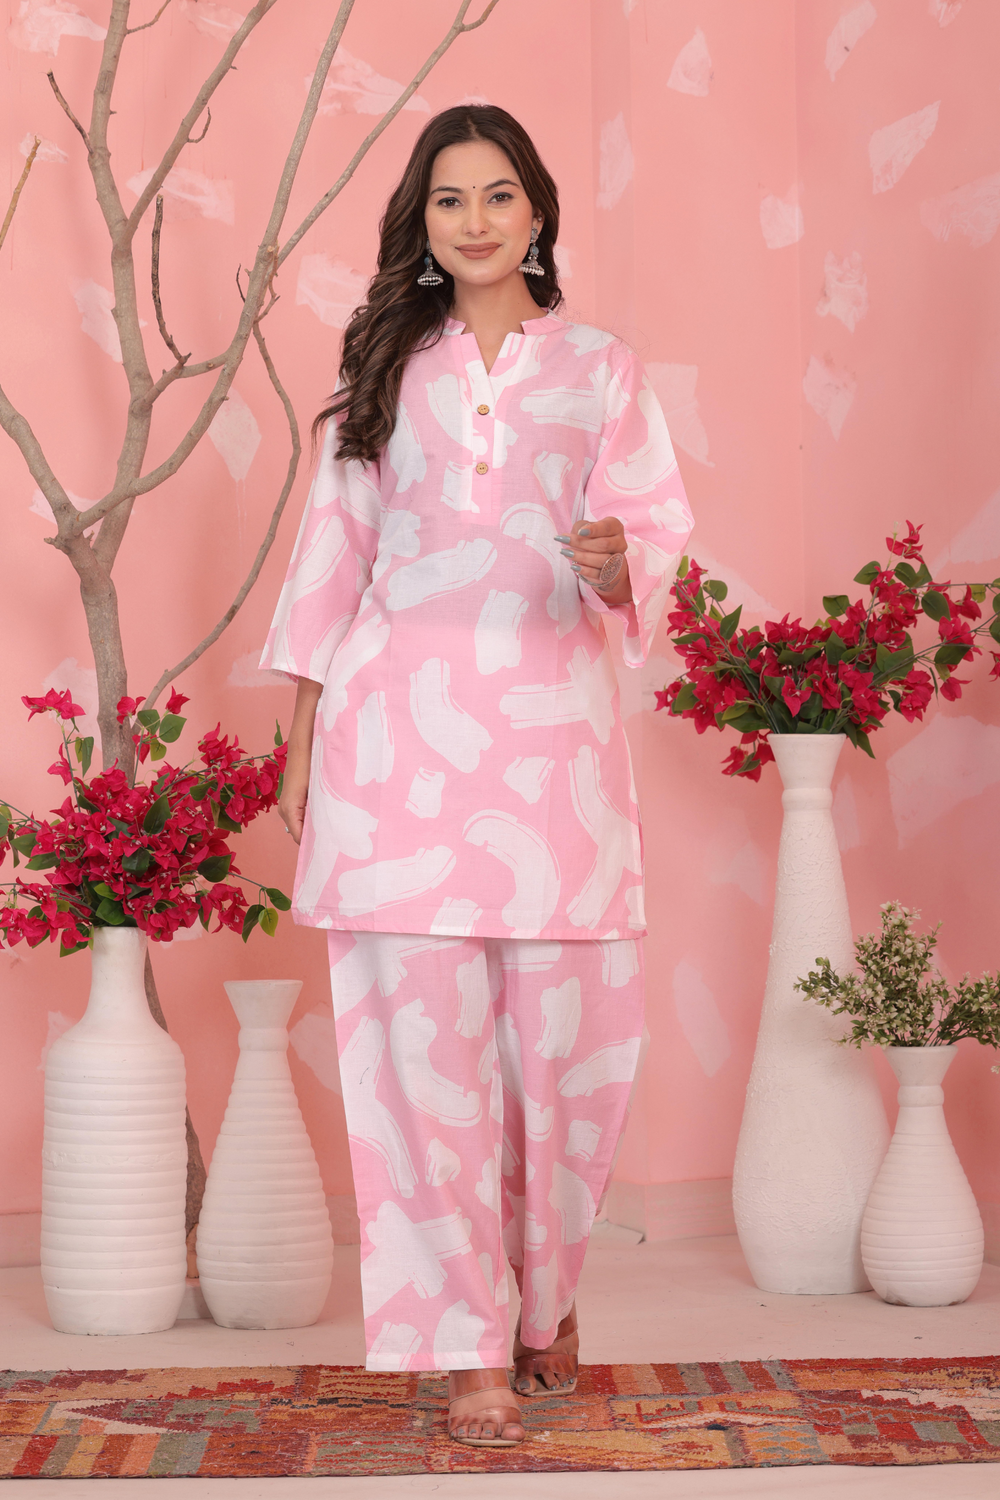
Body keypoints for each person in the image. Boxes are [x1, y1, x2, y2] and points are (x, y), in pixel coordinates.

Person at [261, 104, 693, 1448]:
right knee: (420, 1063)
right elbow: (332, 555)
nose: (477, 220)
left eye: (499, 194)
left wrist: (622, 567)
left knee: (567, 1057)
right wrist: (299, 736)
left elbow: (655, 536)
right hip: (396, 749)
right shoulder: (383, 375)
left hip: (556, 752)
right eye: (449, 199)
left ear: (538, 210)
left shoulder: (602, 371)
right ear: (423, 223)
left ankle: (541, 1297)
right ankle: (466, 1347)